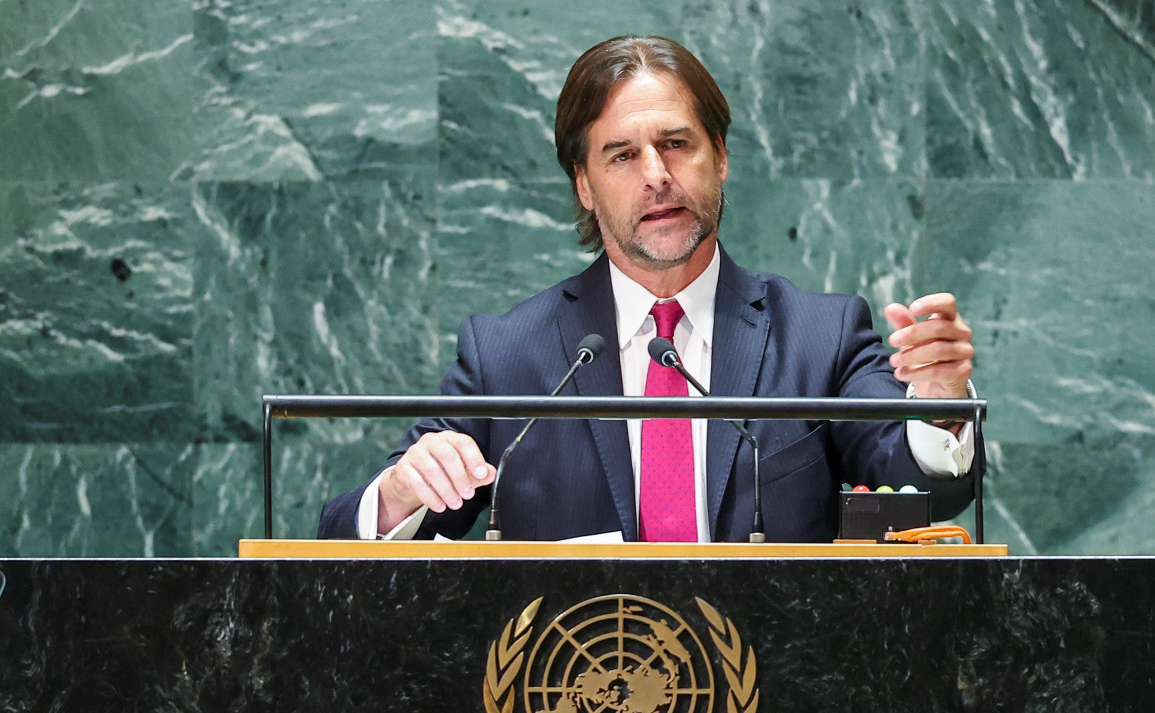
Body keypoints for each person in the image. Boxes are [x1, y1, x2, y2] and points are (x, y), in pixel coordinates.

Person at [318, 35, 976, 543]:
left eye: (676, 143)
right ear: (583, 182)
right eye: (622, 155)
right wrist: (403, 491)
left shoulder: (818, 337)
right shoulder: (507, 355)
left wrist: (939, 409)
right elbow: (352, 537)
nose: (657, 176)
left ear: (719, 156)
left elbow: (918, 490)